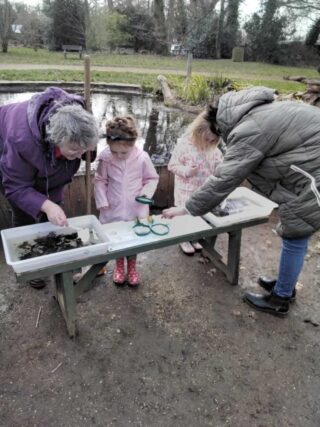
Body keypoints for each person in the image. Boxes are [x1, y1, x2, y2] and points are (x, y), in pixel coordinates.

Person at [163, 86, 320, 317]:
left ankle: (281, 298)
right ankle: (284, 285)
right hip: (311, 165)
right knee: (297, 231)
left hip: (315, 175)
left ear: (218, 125)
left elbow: (226, 177)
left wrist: (187, 208)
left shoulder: (250, 128)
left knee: (296, 231)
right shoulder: (257, 113)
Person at [0, 87, 99, 288]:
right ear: (55, 140)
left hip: (51, 159)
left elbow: (83, 146)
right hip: (9, 156)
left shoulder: (80, 123)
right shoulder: (21, 140)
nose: (80, 155)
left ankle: (65, 263)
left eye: (83, 150)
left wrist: (87, 151)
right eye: (74, 150)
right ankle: (32, 266)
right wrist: (45, 205)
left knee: (56, 214)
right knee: (26, 215)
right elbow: (16, 187)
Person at [94, 116, 159, 288]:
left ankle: (132, 267)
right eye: (114, 151)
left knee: (133, 238)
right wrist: (101, 199)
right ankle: (119, 266)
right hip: (113, 207)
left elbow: (152, 178)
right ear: (108, 144)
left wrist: (146, 193)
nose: (119, 156)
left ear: (133, 144)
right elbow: (100, 179)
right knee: (117, 238)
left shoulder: (142, 157)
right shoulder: (106, 157)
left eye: (124, 152)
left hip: (135, 208)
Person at [168, 111, 223, 255]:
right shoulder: (184, 145)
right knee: (184, 215)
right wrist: (186, 170)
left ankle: (195, 237)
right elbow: (172, 165)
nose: (209, 143)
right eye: (207, 139)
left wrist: (220, 171)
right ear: (198, 132)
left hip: (203, 190)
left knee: (198, 214)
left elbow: (220, 166)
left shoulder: (214, 150)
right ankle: (184, 238)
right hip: (185, 190)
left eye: (213, 141)